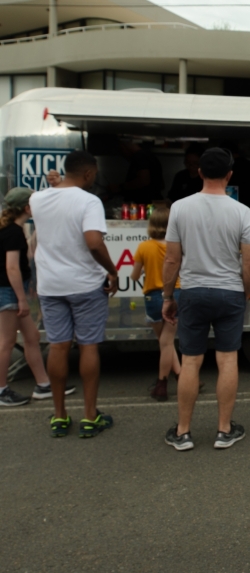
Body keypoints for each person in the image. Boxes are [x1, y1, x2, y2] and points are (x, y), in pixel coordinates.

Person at [161, 147, 250, 451]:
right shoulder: (241, 211)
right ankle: (224, 430)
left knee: (190, 361)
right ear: (229, 175)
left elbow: (172, 260)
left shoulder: (179, 208)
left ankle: (184, 432)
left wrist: (167, 296)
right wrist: (244, 291)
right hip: (230, 292)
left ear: (200, 172)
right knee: (227, 359)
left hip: (192, 291)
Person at [29, 150, 119, 438]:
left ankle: (59, 416)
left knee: (57, 346)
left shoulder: (37, 199)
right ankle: (90, 416)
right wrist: (112, 270)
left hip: (50, 284)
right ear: (89, 174)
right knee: (89, 347)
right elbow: (93, 242)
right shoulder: (89, 201)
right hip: (84, 283)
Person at [0, 188, 70, 407]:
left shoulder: (12, 230)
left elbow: (23, 261)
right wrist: (21, 298)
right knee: (7, 342)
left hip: (11, 291)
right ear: (27, 208)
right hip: (8, 292)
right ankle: (1, 389)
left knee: (32, 337)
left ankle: (43, 384)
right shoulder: (12, 232)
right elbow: (12, 268)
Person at [131, 206, 181, 401]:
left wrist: (145, 272)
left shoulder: (144, 247)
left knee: (164, 343)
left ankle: (164, 383)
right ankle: (177, 377)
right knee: (167, 343)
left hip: (152, 297)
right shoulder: (176, 245)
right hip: (174, 295)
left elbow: (134, 276)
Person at [110, 139, 164, 205]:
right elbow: (162, 184)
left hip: (144, 203)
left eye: (121, 151)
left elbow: (143, 181)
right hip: (153, 202)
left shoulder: (140, 156)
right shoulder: (150, 156)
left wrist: (119, 187)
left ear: (123, 147)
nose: (123, 155)